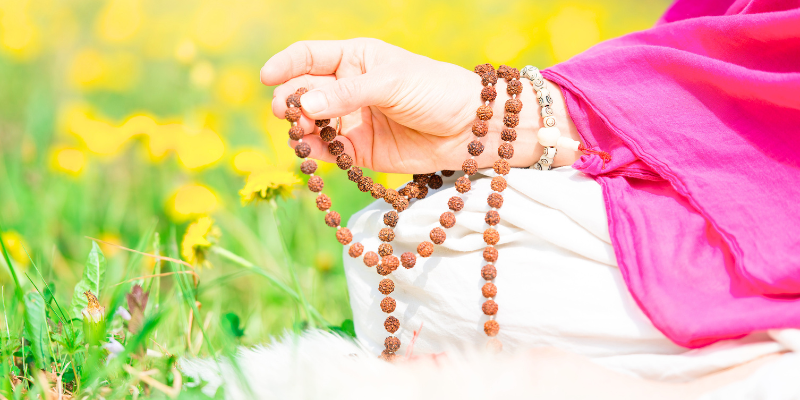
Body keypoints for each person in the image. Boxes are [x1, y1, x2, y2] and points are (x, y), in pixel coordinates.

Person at [260, 0, 800, 396]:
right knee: (415, 235)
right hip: (746, 173)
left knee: (477, 267)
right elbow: (736, 57)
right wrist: (492, 116)